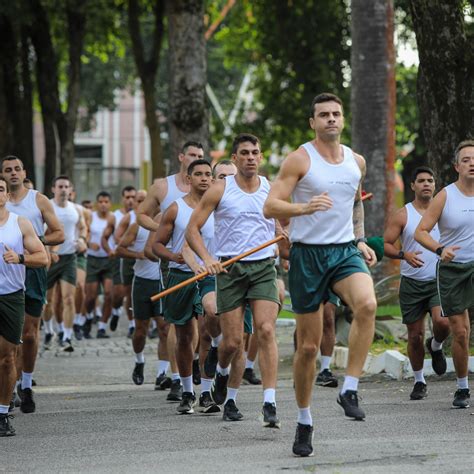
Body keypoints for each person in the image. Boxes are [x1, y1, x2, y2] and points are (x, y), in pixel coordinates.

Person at [263, 93, 377, 456]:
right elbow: (270, 206)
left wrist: (359, 240)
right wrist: (303, 207)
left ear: (343, 120)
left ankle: (349, 387)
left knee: (368, 305)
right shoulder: (299, 159)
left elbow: (355, 202)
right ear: (312, 122)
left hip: (344, 251)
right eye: (323, 115)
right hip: (308, 256)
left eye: (336, 114)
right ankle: (304, 418)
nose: (330, 119)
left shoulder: (355, 162)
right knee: (308, 348)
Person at [186, 134, 283, 428]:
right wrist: (207, 259)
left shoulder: (271, 188)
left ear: (261, 157)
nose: (251, 157)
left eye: (255, 152)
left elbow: (279, 223)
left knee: (265, 330)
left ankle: (268, 401)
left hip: (264, 267)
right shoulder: (220, 188)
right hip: (230, 270)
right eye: (245, 153)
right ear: (235, 158)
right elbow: (192, 230)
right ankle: (222, 371)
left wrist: (285, 232)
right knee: (232, 342)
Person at [137, 141, 205, 402]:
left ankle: (192, 367)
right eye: (191, 155)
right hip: (173, 261)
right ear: (181, 156)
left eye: (200, 156)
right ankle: (177, 377)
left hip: (203, 262)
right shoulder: (163, 186)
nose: (195, 158)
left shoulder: (209, 186)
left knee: (200, 320)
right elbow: (142, 215)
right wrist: (164, 229)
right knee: (176, 323)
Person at [2, 156, 64, 414]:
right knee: (11, 338)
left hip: (31, 269)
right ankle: (10, 384)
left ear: (24, 172)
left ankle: (26, 384)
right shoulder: (2, 200)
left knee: (29, 333)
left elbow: (59, 233)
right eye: (8, 170)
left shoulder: (38, 200)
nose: (14, 173)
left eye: (17, 169)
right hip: (6, 273)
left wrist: (33, 243)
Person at [415, 140, 474, 409]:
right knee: (460, 332)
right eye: (466, 160)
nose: (472, 163)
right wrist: (440, 249)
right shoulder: (445, 196)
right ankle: (462, 388)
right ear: (456, 166)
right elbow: (421, 232)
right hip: (453, 269)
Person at [153, 160, 214, 415]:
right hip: (180, 276)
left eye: (208, 174)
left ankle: (208, 392)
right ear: (188, 179)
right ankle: (188, 391)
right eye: (198, 174)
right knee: (185, 336)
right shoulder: (175, 209)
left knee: (208, 330)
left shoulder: (218, 207)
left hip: (210, 277)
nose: (203, 178)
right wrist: (171, 256)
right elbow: (155, 245)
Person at [384, 166, 450, 400]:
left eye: (430, 181)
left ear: (435, 185)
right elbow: (387, 244)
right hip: (412, 283)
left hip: (438, 281)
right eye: (421, 180)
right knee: (414, 336)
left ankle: (437, 346)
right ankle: (419, 380)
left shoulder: (444, 211)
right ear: (412, 185)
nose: (426, 184)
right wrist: (404, 255)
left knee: (443, 324)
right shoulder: (403, 214)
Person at [0, 176, 48, 436]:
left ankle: (3, 413)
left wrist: (19, 257)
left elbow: (42, 257)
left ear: (7, 195)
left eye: (0, 190)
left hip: (11, 296)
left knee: (8, 358)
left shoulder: (20, 224)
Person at [43, 176, 88, 352]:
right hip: (50, 258)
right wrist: (49, 249)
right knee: (47, 301)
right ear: (53, 189)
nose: (63, 189)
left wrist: (82, 239)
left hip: (70, 257)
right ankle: (48, 331)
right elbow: (40, 231)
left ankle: (67, 337)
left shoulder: (75, 209)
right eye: (60, 186)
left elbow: (83, 227)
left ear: (70, 190)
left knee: (69, 298)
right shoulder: (47, 206)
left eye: (66, 187)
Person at [101, 186, 136, 336]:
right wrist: (110, 251)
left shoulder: (141, 215)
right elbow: (105, 237)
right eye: (127, 197)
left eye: (133, 197)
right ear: (122, 199)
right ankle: (116, 311)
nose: (130, 200)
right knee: (117, 295)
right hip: (120, 258)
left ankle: (132, 325)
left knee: (132, 294)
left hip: (137, 258)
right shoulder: (115, 216)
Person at [83, 191, 114, 339]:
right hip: (93, 259)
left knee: (109, 294)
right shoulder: (91, 217)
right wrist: (89, 243)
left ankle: (102, 327)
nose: (103, 204)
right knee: (90, 296)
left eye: (106, 202)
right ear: (97, 204)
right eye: (100, 202)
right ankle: (88, 317)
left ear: (110, 204)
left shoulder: (114, 218)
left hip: (109, 260)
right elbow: (83, 234)